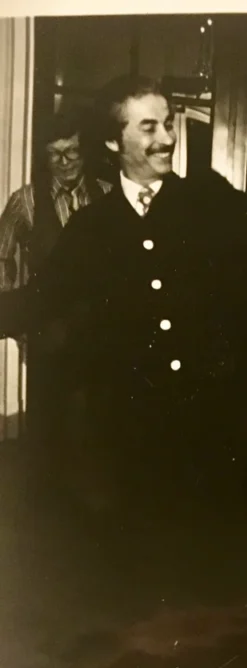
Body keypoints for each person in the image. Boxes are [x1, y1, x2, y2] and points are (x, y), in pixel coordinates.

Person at [0, 75, 247, 517]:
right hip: (129, 441)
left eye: (167, 124)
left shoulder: (207, 197)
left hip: (212, 432)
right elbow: (36, 300)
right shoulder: (91, 228)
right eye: (149, 127)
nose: (167, 138)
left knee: (207, 560)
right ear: (113, 142)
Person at [0, 109, 111, 472]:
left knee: (93, 430)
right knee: (47, 433)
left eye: (72, 152)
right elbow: (2, 257)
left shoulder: (108, 197)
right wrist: (17, 315)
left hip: (98, 332)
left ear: (86, 151)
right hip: (47, 334)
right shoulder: (26, 201)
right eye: (54, 154)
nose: (63, 162)